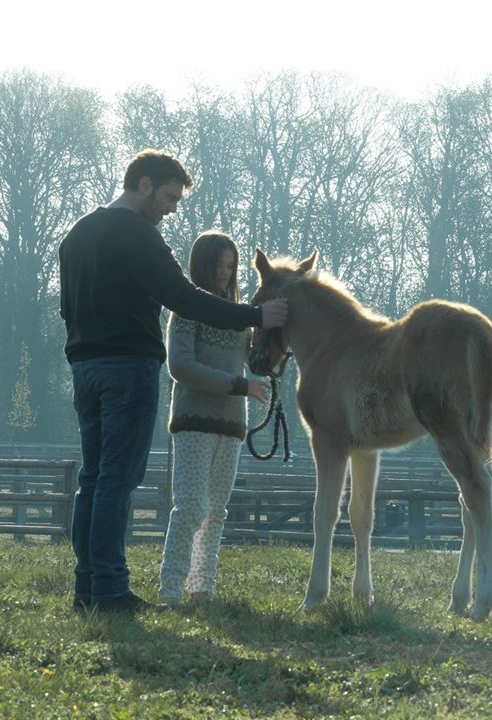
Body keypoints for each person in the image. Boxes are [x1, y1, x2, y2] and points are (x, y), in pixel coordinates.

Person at [59, 149, 288, 615]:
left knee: (93, 478)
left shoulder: (77, 235)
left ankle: (88, 587)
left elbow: (68, 309)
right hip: (129, 368)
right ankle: (110, 591)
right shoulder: (139, 236)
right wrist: (255, 315)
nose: (171, 208)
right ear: (142, 184)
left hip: (86, 369)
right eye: (168, 197)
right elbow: (184, 297)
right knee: (117, 482)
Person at [158, 231, 269, 606]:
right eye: (218, 265)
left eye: (230, 267)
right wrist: (238, 385)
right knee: (191, 506)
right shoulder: (187, 311)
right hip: (193, 420)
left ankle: (201, 587)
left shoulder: (238, 317)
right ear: (202, 266)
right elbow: (181, 366)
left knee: (216, 512)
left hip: (231, 425)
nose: (225, 273)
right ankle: (171, 589)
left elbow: (251, 363)